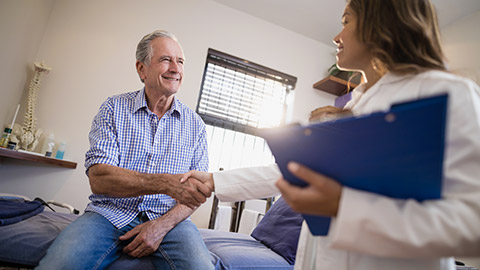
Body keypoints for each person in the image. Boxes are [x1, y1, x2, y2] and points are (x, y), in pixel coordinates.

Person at [183, 0, 480, 269]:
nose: (337, 36)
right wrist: (215, 181)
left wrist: (344, 207)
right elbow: (296, 172)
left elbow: (473, 223)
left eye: (346, 20)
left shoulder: (446, 92)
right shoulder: (357, 103)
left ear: (381, 22)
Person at [36, 30, 214, 270]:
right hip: (108, 214)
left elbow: (197, 193)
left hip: (170, 221)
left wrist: (161, 226)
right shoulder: (113, 108)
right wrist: (165, 183)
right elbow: (100, 179)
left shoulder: (196, 126)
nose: (175, 68)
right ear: (142, 69)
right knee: (58, 265)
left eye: (180, 61)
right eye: (165, 60)